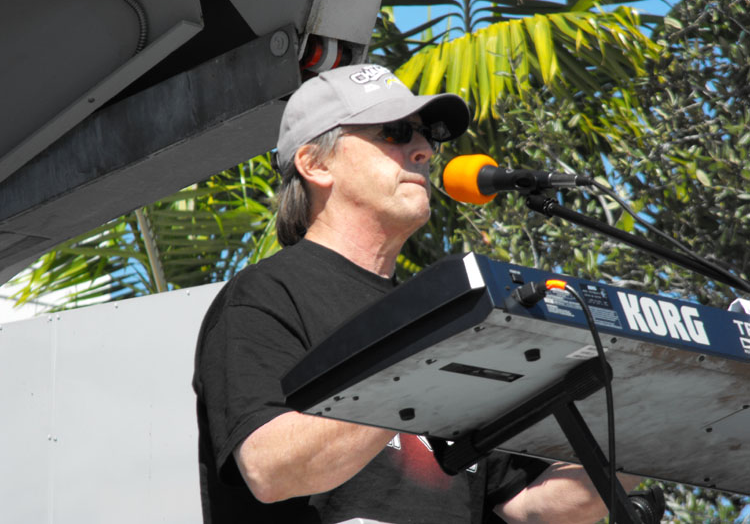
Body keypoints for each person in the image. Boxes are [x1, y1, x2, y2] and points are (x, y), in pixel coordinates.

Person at [193, 63, 639, 524]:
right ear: (316, 164)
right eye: (395, 132)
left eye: (429, 134)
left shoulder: (440, 321)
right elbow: (269, 469)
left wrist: (651, 431)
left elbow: (531, 506)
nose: (424, 150)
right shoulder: (265, 294)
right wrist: (429, 364)